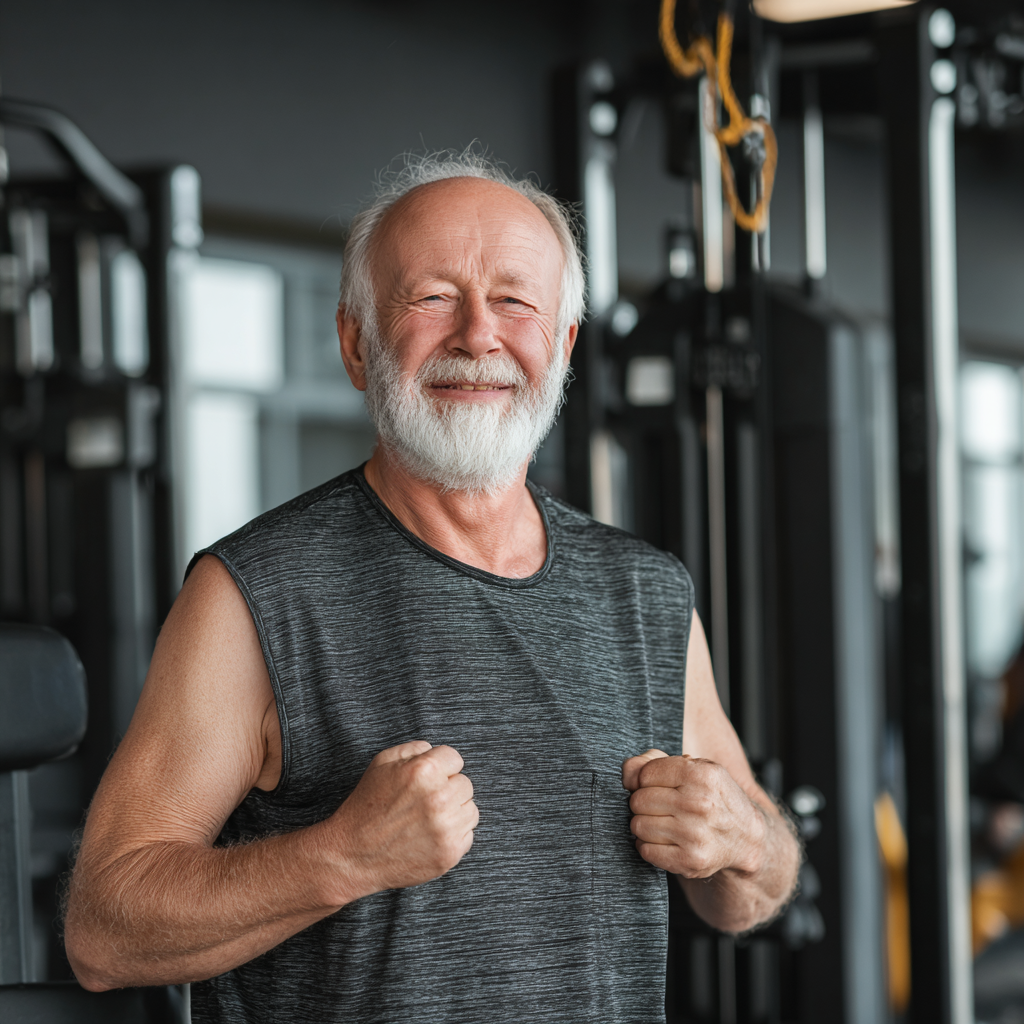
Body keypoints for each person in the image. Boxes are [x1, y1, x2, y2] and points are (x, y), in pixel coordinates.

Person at [64, 151, 800, 1023]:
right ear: (355, 344)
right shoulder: (257, 593)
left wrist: (745, 840)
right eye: (433, 297)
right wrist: (341, 856)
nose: (479, 335)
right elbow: (103, 931)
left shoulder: (644, 593)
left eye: (516, 301)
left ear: (561, 348)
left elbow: (750, 894)